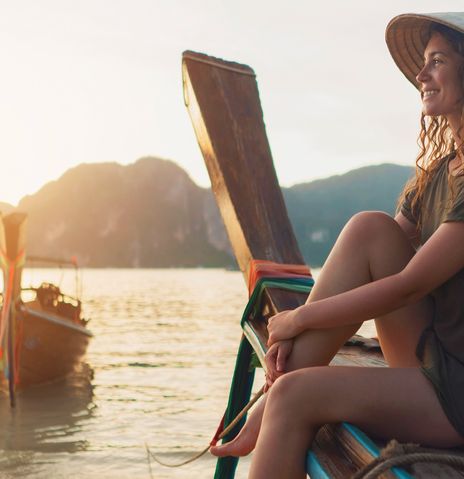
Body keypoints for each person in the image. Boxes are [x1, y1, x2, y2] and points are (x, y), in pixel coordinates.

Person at [210, 12, 464, 479]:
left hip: (457, 391)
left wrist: (298, 317)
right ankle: (267, 402)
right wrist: (291, 332)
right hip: (434, 358)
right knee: (370, 227)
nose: (421, 75)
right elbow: (376, 253)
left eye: (437, 61)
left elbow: (408, 286)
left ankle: (274, 402)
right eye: (422, 64)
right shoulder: (439, 170)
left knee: (295, 396)